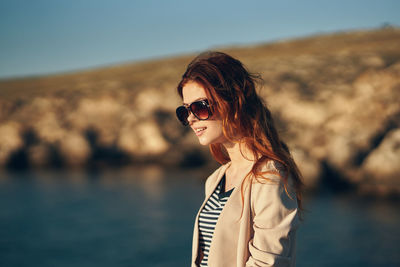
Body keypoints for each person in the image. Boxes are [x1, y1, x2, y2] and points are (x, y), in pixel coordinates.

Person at [175, 51, 303, 267]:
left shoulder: (269, 175)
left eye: (199, 107)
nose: (190, 118)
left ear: (232, 102)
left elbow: (268, 262)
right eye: (185, 110)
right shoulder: (216, 179)